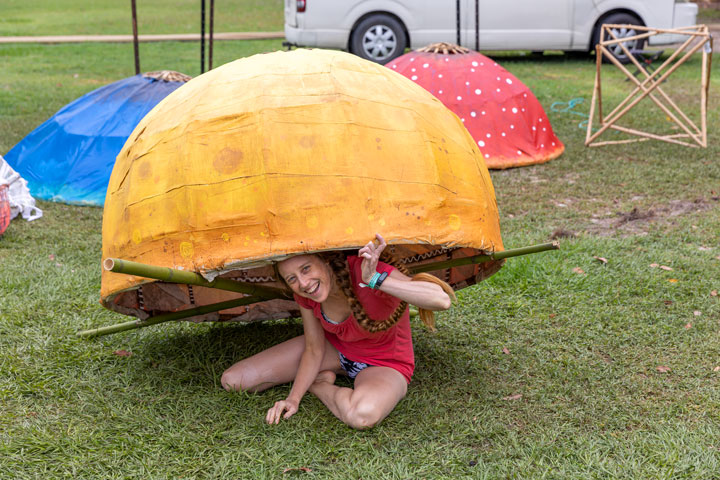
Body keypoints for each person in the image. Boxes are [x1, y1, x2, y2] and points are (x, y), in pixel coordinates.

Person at [221, 234, 455, 429]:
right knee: (233, 381)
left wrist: (374, 279)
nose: (303, 283)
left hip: (384, 364)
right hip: (334, 352)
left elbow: (440, 300)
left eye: (306, 269)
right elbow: (314, 348)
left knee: (362, 416)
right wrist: (293, 399)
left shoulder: (366, 270)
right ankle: (323, 377)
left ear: (325, 260)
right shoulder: (305, 295)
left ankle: (321, 385)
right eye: (292, 278)